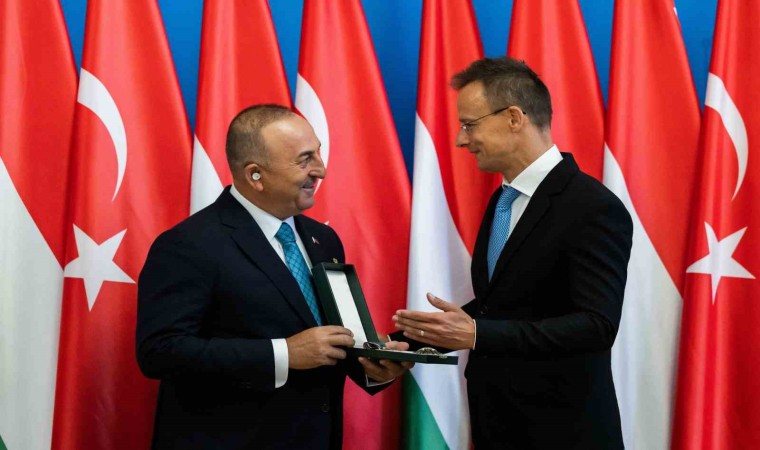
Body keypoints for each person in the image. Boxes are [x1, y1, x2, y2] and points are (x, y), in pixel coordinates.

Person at [137, 104, 411, 450]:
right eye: (305, 160)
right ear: (255, 174)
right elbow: (160, 351)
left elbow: (329, 340)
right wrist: (282, 353)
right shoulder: (189, 244)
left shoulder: (323, 239)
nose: (321, 170)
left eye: (318, 153)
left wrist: (372, 366)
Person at [392, 57, 633, 449]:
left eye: (470, 124)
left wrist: (476, 333)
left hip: (562, 434)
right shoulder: (503, 201)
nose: (461, 140)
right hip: (497, 427)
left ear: (514, 118)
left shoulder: (592, 206)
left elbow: (596, 325)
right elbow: (502, 306)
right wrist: (406, 343)